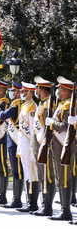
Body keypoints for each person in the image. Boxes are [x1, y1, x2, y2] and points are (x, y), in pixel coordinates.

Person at [45, 76, 76, 221]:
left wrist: (51, 123)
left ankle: (65, 211)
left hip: (64, 147)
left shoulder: (68, 105)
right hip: (57, 147)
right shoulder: (62, 104)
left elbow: (65, 126)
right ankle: (64, 209)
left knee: (64, 178)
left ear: (65, 90)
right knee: (60, 178)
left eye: (60, 89)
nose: (58, 92)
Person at [0, 82, 24, 208]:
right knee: (16, 171)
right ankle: (15, 199)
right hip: (12, 141)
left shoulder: (17, 105)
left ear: (17, 92)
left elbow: (3, 116)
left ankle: (17, 200)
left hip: (16, 141)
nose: (11, 93)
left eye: (13, 91)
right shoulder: (15, 104)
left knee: (18, 171)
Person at [31, 76, 56, 216]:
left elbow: (48, 129)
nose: (36, 90)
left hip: (44, 145)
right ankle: (43, 204)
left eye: (37, 87)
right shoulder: (41, 103)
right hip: (38, 145)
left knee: (48, 176)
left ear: (41, 89)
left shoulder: (48, 105)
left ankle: (47, 207)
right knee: (42, 176)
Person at [15, 82, 39, 213]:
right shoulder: (25, 106)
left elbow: (32, 129)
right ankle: (28, 201)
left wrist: (32, 148)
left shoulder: (32, 108)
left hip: (29, 146)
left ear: (30, 93)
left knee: (32, 174)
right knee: (27, 174)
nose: (22, 94)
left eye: (24, 92)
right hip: (23, 145)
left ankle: (33, 203)